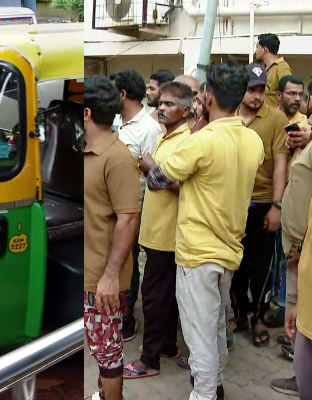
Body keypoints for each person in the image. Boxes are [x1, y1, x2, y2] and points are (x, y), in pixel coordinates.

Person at [147, 61, 264, 400]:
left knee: (200, 341)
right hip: (229, 251)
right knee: (213, 328)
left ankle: (205, 394)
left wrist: (196, 129)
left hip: (197, 254)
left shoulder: (201, 142)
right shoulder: (253, 140)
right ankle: (217, 386)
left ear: (208, 98)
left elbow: (157, 179)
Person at [122, 82, 193, 379]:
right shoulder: (167, 137)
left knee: (151, 298)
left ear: (187, 110)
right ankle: (166, 346)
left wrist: (150, 169)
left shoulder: (186, 142)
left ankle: (149, 361)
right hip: (156, 232)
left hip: (167, 235)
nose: (161, 108)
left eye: (170, 104)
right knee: (163, 297)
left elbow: (186, 190)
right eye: (160, 103)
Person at [82, 75, 141, 400]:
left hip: (102, 279)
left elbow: (129, 218)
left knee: (108, 353)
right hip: (88, 270)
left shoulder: (117, 157)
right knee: (97, 347)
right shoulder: (89, 150)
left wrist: (109, 276)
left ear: (87, 113)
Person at [230, 63, 289, 347]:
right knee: (236, 264)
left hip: (264, 203)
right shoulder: (228, 116)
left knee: (263, 267)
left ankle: (260, 318)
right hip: (233, 204)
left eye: (260, 90)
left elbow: (280, 165)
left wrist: (277, 205)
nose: (256, 96)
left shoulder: (275, 118)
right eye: (251, 90)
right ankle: (241, 313)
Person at [110, 69, 163, 341]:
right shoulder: (114, 121)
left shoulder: (149, 129)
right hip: (110, 207)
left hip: (134, 208)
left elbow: (154, 173)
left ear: (122, 94)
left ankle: (128, 315)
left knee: (128, 262)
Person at [270, 109, 312, 397]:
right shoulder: (310, 146)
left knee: (301, 313)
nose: (308, 125)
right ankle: (301, 374)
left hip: (304, 251)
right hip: (297, 246)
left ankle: (303, 378)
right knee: (295, 308)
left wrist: (301, 245)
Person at [255, 33, 293, 107]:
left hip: (273, 116)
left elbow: (290, 94)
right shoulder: (262, 69)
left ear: (264, 49)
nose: (256, 51)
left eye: (257, 47)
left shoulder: (282, 67)